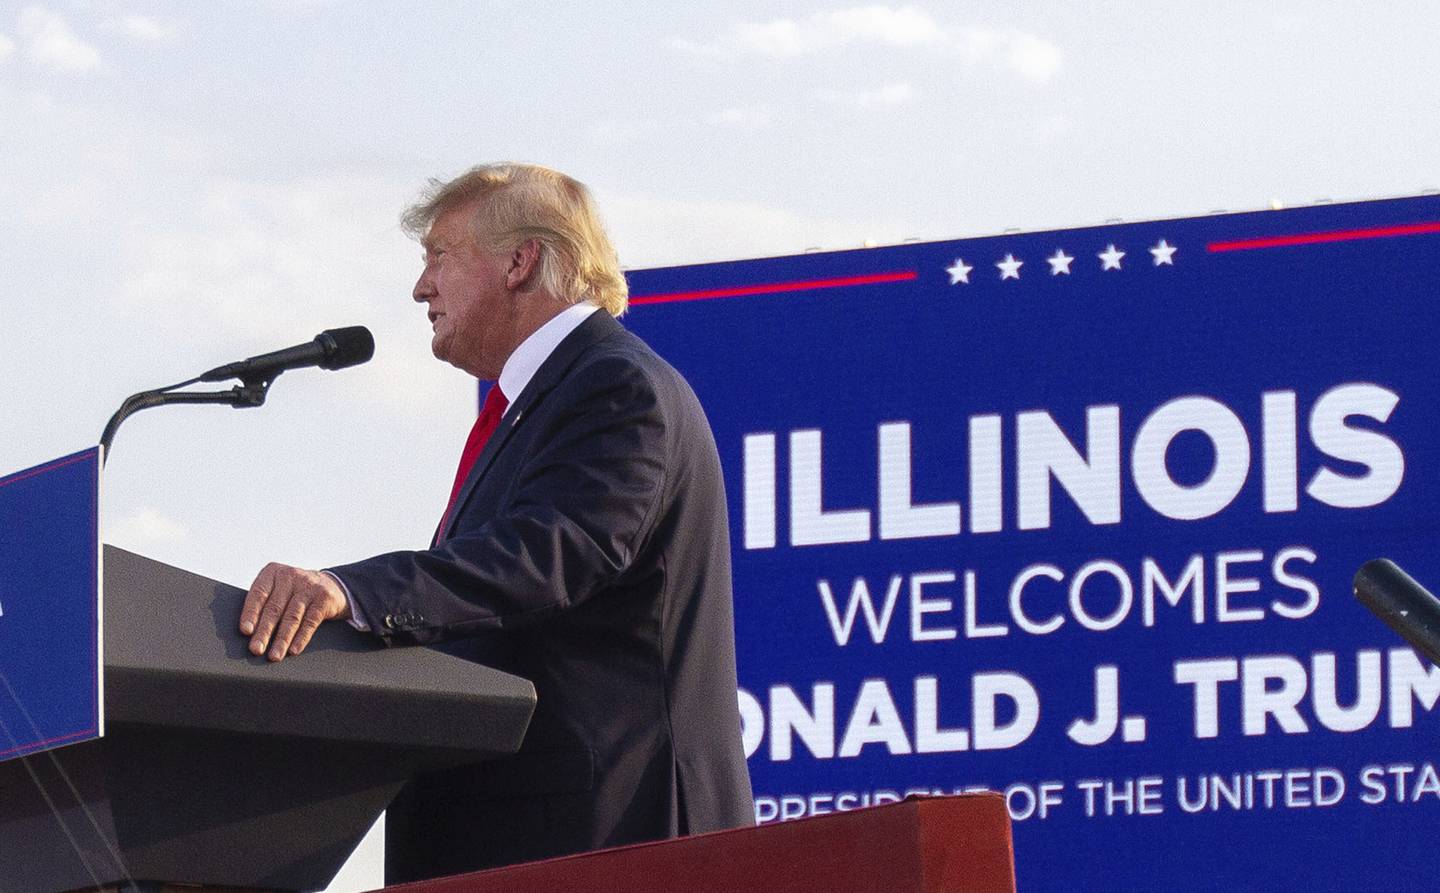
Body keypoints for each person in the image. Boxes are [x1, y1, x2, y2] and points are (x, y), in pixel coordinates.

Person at [236, 163, 753, 881]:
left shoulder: (616, 384)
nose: (421, 287)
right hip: (519, 839)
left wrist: (353, 594)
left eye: (438, 255)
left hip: (612, 839)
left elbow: (545, 556)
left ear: (520, 261)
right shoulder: (541, 401)